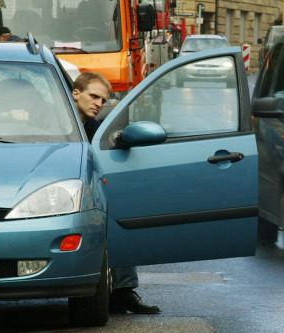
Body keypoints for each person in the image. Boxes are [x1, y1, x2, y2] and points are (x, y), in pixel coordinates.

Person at [72, 71, 162, 314]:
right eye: (94, 96)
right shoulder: (52, 122)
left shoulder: (96, 129)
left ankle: (123, 292)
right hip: (59, 193)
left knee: (118, 215)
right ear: (75, 93)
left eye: (102, 100)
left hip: (89, 191)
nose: (98, 104)